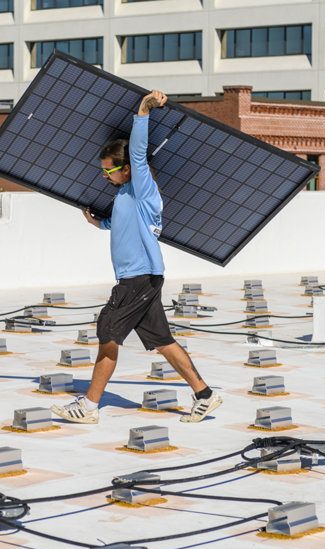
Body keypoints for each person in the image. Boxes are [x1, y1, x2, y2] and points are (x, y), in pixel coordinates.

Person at [51, 90, 222, 424]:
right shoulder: (125, 196)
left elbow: (140, 155)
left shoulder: (143, 189)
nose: (105, 177)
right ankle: (205, 395)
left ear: (126, 169)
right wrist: (100, 222)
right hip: (142, 277)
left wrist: (143, 110)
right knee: (162, 340)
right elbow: (121, 224)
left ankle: (88, 407)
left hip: (137, 278)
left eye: (109, 171)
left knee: (108, 333)